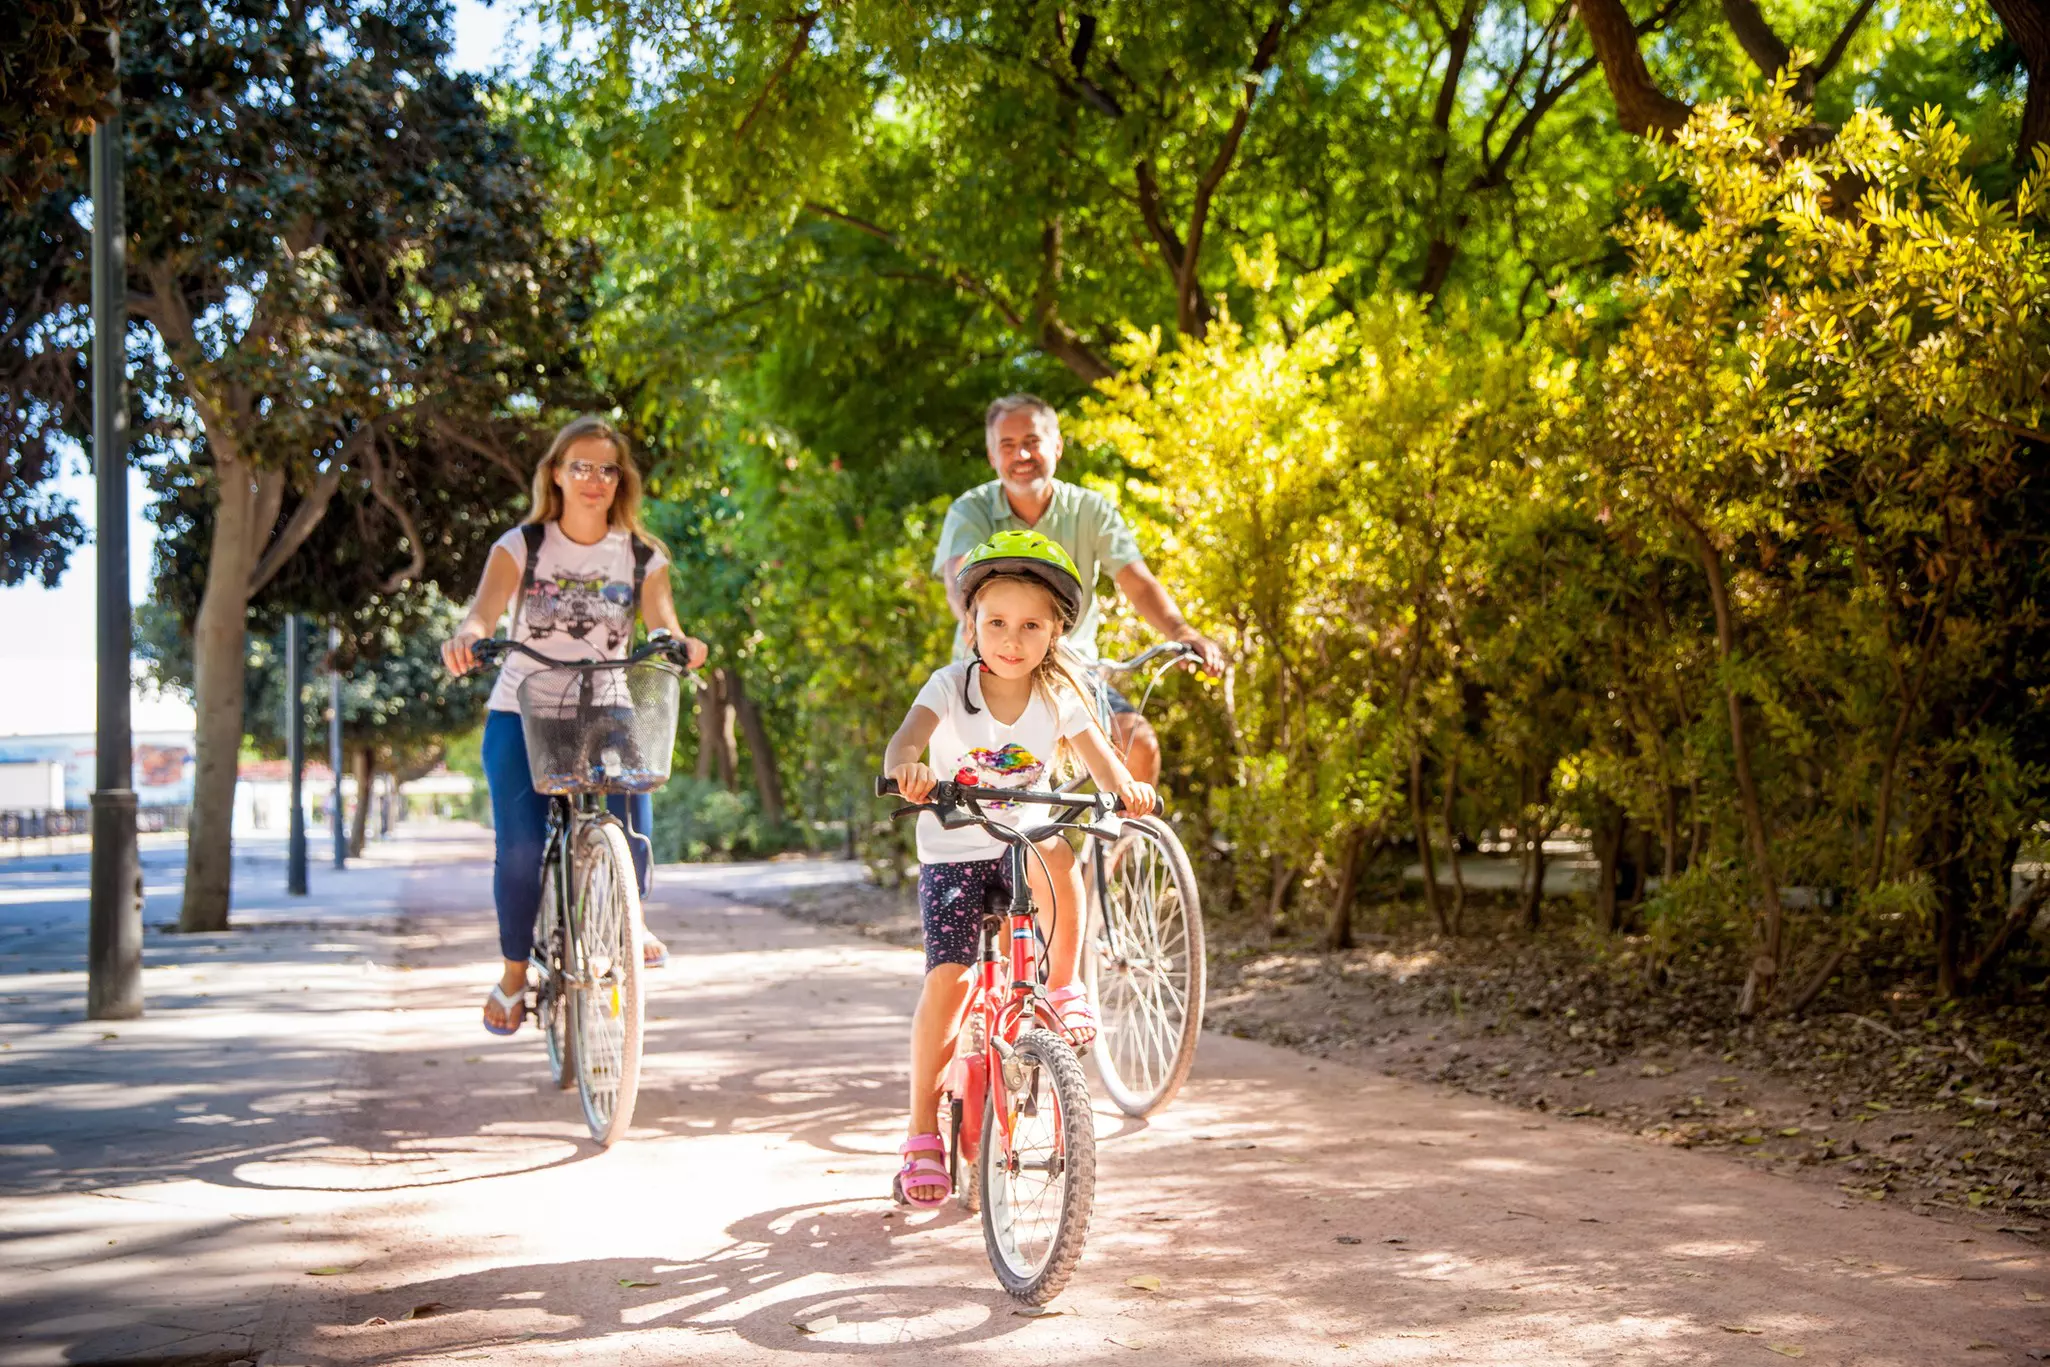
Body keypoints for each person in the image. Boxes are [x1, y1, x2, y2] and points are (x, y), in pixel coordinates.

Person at [881, 530, 1158, 1207]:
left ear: (1056, 632)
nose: (1012, 638)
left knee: (1059, 851)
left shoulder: (1059, 694)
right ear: (972, 624)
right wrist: (908, 769)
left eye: (1031, 625)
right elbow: (903, 743)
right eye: (996, 622)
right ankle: (921, 1130)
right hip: (954, 851)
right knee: (950, 982)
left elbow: (1104, 763)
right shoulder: (949, 686)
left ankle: (1062, 986)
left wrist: (1127, 788)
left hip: (1021, 845)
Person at [442, 416, 708, 1036]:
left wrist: (681, 643)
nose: (595, 479)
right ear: (556, 475)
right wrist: (467, 638)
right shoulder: (521, 546)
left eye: (607, 469)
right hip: (523, 712)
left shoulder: (641, 555)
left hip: (605, 708)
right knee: (520, 850)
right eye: (581, 467)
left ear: (621, 480)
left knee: (632, 821)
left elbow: (664, 624)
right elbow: (481, 616)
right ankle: (514, 973)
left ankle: (631, 919)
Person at [934, 393, 1225, 786]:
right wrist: (976, 627)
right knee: (990, 782)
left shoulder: (1090, 510)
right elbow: (960, 578)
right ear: (992, 456)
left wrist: (1181, 631)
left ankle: (1122, 829)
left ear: (1057, 446)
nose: (1022, 455)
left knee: (1138, 744)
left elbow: (1137, 581)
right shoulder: (971, 510)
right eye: (1008, 445)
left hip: (1070, 672)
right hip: (992, 670)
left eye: (1032, 442)